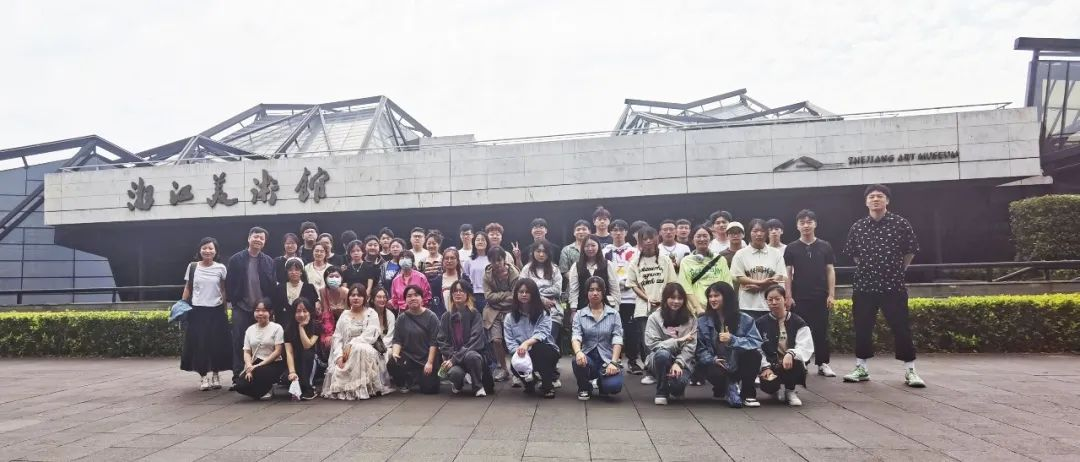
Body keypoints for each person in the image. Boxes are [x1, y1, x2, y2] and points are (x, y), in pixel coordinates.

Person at [842, 184, 924, 387]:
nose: (875, 199)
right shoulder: (858, 227)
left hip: (893, 285)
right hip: (865, 286)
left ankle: (910, 371)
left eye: (880, 196)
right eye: (871, 196)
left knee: (901, 328)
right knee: (862, 328)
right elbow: (854, 255)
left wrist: (898, 270)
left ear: (887, 200)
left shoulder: (900, 223)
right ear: (866, 202)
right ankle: (861, 368)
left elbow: (910, 251)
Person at [784, 209, 838, 378]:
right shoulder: (791, 248)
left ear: (815, 224)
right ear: (797, 226)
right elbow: (788, 273)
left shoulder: (825, 246)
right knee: (799, 331)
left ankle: (823, 363)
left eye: (809, 222)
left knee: (821, 330)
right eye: (802, 222)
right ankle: (802, 362)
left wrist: (831, 294)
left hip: (820, 296)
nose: (806, 225)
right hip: (799, 297)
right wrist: (788, 296)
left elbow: (830, 270)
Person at [695, 282, 763, 408]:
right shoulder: (702, 321)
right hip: (717, 364)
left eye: (716, 296)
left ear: (727, 297)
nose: (712, 299)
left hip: (737, 361)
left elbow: (755, 342)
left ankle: (748, 393)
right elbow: (700, 348)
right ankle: (725, 387)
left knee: (754, 355)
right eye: (710, 296)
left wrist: (733, 340)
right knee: (710, 368)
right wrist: (712, 359)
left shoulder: (745, 319)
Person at [225, 226, 276, 384]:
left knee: (264, 342)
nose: (258, 240)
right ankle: (237, 376)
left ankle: (260, 375)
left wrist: (269, 307)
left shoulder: (269, 261)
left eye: (261, 238)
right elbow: (229, 284)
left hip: (262, 310)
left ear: (264, 242)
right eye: (255, 236)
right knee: (239, 341)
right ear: (249, 238)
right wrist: (234, 302)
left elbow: (272, 285)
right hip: (242, 307)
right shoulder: (235, 259)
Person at [323, 286, 390, 400]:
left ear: (365, 298)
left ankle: (362, 388)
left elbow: (371, 335)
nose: (356, 298)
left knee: (360, 348)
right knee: (355, 350)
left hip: (367, 349)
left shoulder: (371, 313)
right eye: (353, 295)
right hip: (346, 352)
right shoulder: (344, 315)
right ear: (348, 298)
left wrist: (352, 344)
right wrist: (339, 356)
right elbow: (337, 337)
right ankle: (350, 388)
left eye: (359, 295)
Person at [626, 226, 677, 378]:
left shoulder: (665, 260)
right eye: (644, 239)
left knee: (668, 338)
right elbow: (633, 285)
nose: (648, 241)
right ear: (639, 241)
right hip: (644, 308)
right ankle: (651, 371)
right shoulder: (635, 262)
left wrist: (663, 300)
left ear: (656, 239)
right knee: (647, 341)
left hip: (665, 307)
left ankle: (667, 369)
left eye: (651, 238)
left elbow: (672, 282)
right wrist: (647, 298)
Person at [180, 237, 230, 391]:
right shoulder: (192, 267)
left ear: (216, 251)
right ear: (199, 250)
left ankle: (215, 374)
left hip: (216, 311)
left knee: (217, 344)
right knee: (200, 345)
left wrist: (225, 309)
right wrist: (182, 304)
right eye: (204, 248)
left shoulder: (221, 268)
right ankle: (203, 377)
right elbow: (188, 287)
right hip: (197, 311)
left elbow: (223, 289)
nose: (207, 251)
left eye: (211, 248)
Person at [756, 285, 814, 406]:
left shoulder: (798, 322)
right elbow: (757, 348)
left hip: (789, 363)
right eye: (770, 299)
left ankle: (790, 391)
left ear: (785, 299)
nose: (774, 302)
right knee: (769, 385)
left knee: (796, 361)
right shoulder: (760, 323)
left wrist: (791, 353)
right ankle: (775, 390)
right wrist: (765, 367)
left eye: (777, 299)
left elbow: (805, 346)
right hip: (771, 365)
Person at [504, 279, 560, 398]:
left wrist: (526, 344)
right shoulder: (509, 317)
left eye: (527, 292)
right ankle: (530, 382)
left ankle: (547, 386)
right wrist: (520, 351)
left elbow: (542, 333)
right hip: (522, 353)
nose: (524, 294)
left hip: (544, 350)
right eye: (521, 292)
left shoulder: (543, 314)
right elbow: (510, 341)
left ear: (533, 294)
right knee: (515, 364)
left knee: (540, 349)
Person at [571, 276, 625, 401]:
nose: (595, 293)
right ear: (587, 292)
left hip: (607, 358)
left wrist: (613, 362)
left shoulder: (614, 314)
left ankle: (602, 382)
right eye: (591, 290)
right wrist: (578, 352)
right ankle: (584, 387)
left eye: (598, 290)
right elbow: (576, 336)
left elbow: (617, 338)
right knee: (576, 360)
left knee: (613, 387)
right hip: (588, 357)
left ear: (603, 292)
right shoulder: (579, 314)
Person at [644, 283, 697, 405]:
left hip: (683, 362)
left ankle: (676, 387)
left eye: (680, 298)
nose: (676, 301)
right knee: (662, 354)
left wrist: (678, 363)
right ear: (665, 298)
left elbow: (691, 347)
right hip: (659, 359)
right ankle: (661, 391)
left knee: (676, 387)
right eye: (672, 298)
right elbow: (652, 344)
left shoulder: (691, 319)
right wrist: (678, 341)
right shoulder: (654, 318)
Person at [436, 280, 492, 397]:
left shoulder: (475, 314)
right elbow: (442, 340)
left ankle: (478, 386)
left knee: (472, 356)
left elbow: (475, 340)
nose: (458, 293)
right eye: (455, 291)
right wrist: (452, 356)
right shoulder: (446, 316)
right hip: (454, 356)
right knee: (455, 374)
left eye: (461, 291)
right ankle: (457, 384)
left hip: (473, 355)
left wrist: (455, 358)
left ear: (467, 295)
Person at [388, 285, 442, 394]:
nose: (413, 298)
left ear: (422, 298)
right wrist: (395, 354)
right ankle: (404, 382)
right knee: (392, 363)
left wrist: (430, 363)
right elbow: (397, 339)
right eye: (409, 296)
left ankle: (418, 379)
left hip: (426, 358)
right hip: (409, 357)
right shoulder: (402, 318)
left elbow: (434, 342)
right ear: (405, 300)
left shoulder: (431, 317)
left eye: (416, 295)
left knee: (429, 389)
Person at [731, 219, 787, 320]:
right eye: (755, 231)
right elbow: (738, 277)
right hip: (747, 305)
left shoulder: (776, 253)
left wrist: (760, 287)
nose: (759, 234)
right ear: (749, 233)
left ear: (766, 233)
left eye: (762, 231)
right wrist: (761, 282)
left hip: (771, 305)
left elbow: (780, 275)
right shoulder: (740, 254)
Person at [603, 220, 638, 381]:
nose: (618, 233)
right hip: (611, 298)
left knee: (630, 330)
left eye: (621, 230)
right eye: (615, 230)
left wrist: (627, 282)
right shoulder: (605, 252)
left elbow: (636, 270)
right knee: (611, 330)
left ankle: (633, 361)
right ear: (610, 232)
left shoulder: (634, 251)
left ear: (626, 232)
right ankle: (612, 360)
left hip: (630, 296)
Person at [233, 301, 285, 400]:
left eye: (264, 310)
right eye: (257, 310)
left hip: (273, 363)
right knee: (239, 386)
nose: (260, 313)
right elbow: (247, 352)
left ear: (270, 312)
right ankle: (262, 390)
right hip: (255, 363)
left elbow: (278, 351)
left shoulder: (277, 328)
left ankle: (267, 387)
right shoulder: (250, 330)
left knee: (259, 372)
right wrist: (249, 367)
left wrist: (258, 366)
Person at [678, 226, 733, 315]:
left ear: (710, 239)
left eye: (705, 236)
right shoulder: (686, 261)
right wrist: (698, 308)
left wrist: (724, 306)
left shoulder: (720, 259)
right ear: (692, 239)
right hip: (697, 310)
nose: (702, 239)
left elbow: (728, 284)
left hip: (720, 308)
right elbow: (685, 287)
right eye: (698, 236)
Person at [483, 247, 519, 382]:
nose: (497, 263)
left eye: (499, 260)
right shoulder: (487, 275)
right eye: (493, 261)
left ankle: (517, 370)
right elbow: (488, 297)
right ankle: (504, 369)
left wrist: (498, 297)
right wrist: (505, 295)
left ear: (504, 259)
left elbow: (516, 296)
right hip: (493, 311)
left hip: (511, 310)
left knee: (514, 341)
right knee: (496, 340)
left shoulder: (513, 273)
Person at [284, 297, 321, 400]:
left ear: (310, 312)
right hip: (297, 360)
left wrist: (301, 327)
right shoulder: (288, 329)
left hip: (314, 360)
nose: (301, 314)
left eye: (305, 311)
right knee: (285, 378)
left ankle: (309, 388)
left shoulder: (316, 326)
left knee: (307, 354)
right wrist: (292, 372)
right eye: (298, 311)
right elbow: (289, 352)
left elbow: (307, 345)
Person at [568, 237, 618, 311]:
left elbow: (614, 288)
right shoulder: (576, 266)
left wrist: (616, 308)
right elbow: (573, 290)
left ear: (598, 246)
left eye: (593, 245)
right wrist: (573, 309)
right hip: (582, 308)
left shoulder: (608, 264)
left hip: (605, 308)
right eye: (587, 246)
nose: (590, 248)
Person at [272, 257, 318, 328]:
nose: (293, 272)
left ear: (301, 272)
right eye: (290, 270)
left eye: (297, 270)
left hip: (304, 325)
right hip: (283, 325)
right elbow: (276, 309)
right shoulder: (279, 288)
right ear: (287, 272)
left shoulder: (309, 288)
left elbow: (312, 310)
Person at [432, 247, 470, 318]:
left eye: (452, 258)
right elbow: (435, 303)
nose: (449, 261)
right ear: (443, 261)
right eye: (446, 258)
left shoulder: (464, 278)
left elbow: (470, 299)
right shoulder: (437, 281)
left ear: (457, 261)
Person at [318, 266, 348, 352]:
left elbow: (348, 314)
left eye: (337, 276)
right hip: (329, 322)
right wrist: (329, 334)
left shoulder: (346, 292)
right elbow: (326, 312)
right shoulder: (323, 291)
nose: (334, 279)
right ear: (325, 278)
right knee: (327, 342)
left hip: (344, 323)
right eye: (331, 276)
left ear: (341, 278)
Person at [463, 232, 491, 310]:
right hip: (473, 294)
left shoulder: (491, 259)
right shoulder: (469, 260)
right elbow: (465, 278)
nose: (480, 242)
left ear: (487, 243)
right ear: (474, 242)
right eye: (478, 240)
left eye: (483, 240)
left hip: (488, 294)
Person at [371, 287, 397, 359]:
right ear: (373, 299)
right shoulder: (368, 313)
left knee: (390, 352)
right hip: (369, 346)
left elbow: (390, 336)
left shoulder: (390, 315)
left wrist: (380, 347)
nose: (382, 299)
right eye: (379, 297)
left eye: (384, 297)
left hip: (385, 347)